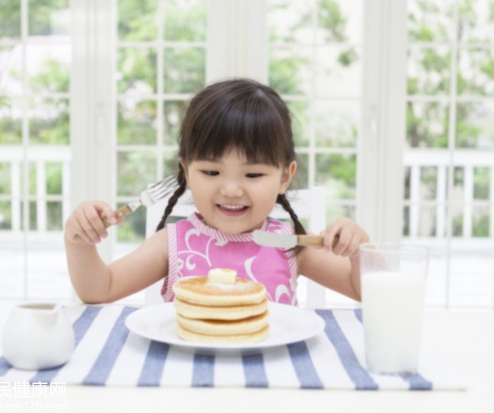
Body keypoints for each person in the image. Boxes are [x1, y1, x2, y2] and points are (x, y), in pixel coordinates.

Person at [64, 78, 369, 305]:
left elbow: (362, 291)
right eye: (211, 172)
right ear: (187, 172)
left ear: (284, 178)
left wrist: (359, 251)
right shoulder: (173, 243)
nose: (232, 189)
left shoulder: (290, 244)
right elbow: (99, 290)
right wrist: (79, 243)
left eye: (253, 174)